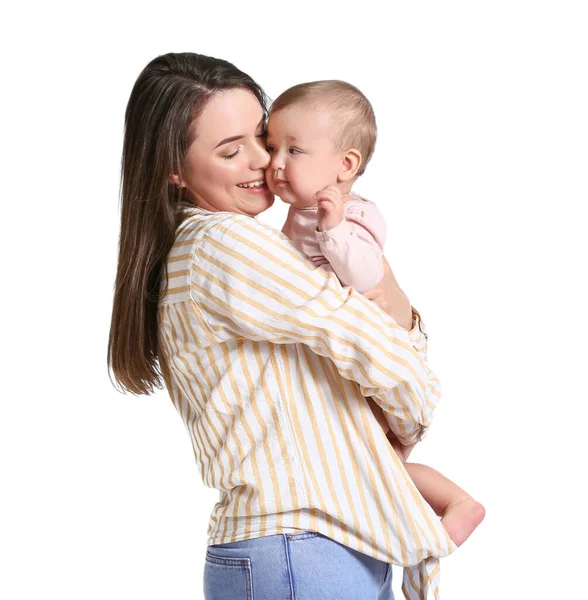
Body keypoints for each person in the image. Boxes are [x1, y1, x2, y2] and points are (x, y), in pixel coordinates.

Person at [108, 52, 454, 600]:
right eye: (230, 150)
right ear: (173, 168)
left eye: (264, 140)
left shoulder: (194, 253)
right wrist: (410, 412)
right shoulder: (225, 243)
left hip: (304, 547)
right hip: (302, 549)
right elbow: (368, 344)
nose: (261, 163)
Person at [265, 80, 485, 550]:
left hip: (381, 356)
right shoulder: (305, 213)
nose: (276, 163)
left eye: (294, 149)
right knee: (371, 464)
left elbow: (367, 276)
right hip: (354, 360)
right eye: (272, 147)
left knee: (371, 459)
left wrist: (333, 229)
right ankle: (414, 521)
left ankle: (456, 502)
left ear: (346, 165)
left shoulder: (353, 213)